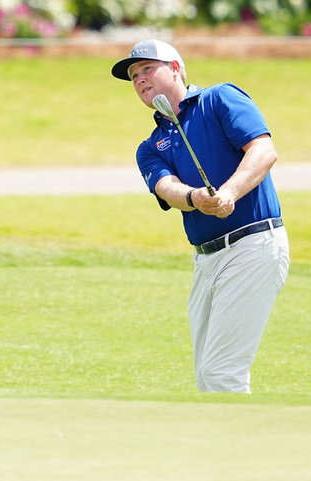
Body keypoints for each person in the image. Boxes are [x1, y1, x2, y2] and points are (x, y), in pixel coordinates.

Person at [114, 38, 288, 393]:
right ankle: (224, 445)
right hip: (206, 260)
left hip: (253, 244)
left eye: (147, 68)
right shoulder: (149, 147)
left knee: (222, 372)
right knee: (207, 376)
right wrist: (196, 197)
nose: (140, 80)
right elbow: (167, 188)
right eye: (134, 76)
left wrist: (229, 193)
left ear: (176, 68)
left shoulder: (220, 98)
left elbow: (263, 150)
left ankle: (240, 448)